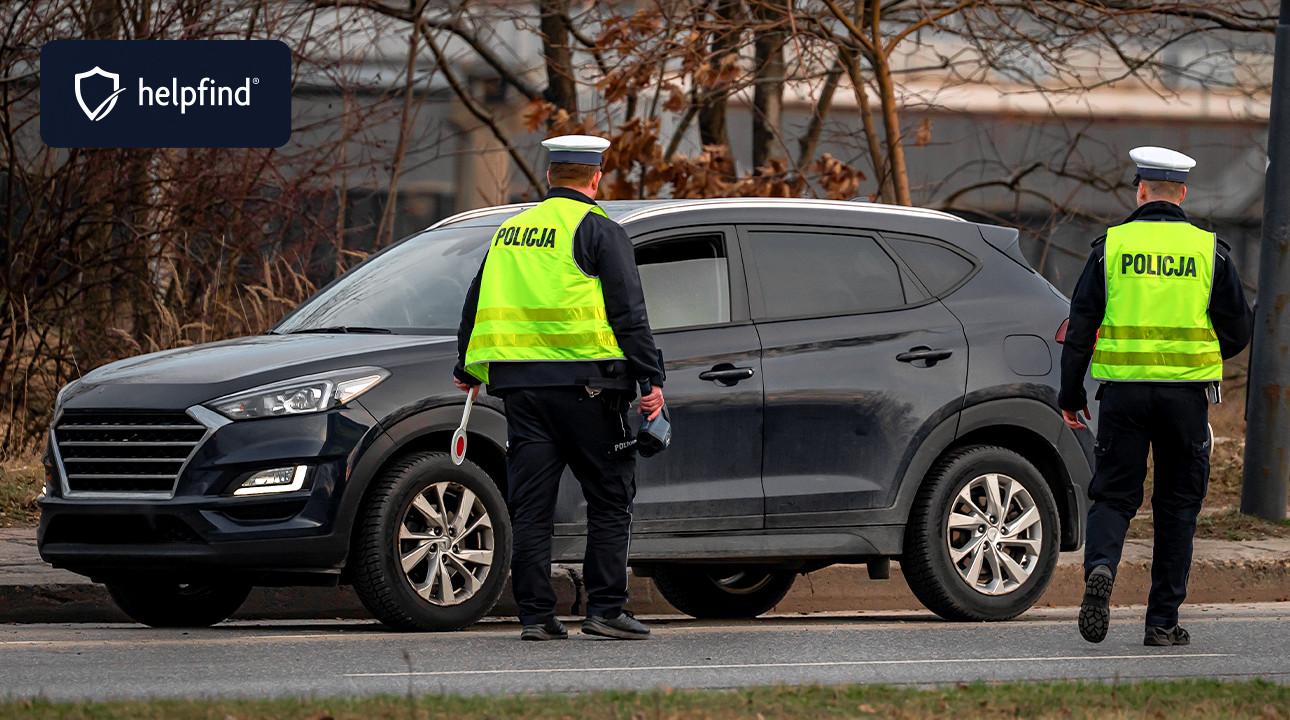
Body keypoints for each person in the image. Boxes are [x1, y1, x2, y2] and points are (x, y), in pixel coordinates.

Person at [453, 134, 665, 641]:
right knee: (611, 497)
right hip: (588, 389)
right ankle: (606, 609)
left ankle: (535, 617)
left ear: (550, 176)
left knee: (532, 506)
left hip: (523, 392)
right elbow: (629, 314)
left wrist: (467, 367)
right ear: (596, 177)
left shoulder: (510, 231)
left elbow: (476, 301)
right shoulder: (599, 230)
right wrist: (650, 379)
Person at [1060, 146, 1252, 647]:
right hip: (1186, 401)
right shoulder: (1210, 250)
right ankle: (1162, 623)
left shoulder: (1111, 246)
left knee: (1114, 495)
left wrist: (1070, 390)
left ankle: (1101, 568)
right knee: (1177, 507)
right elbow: (1238, 329)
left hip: (1122, 397)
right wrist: (1203, 347)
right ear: (1182, 194)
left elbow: (1081, 324)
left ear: (1140, 191)